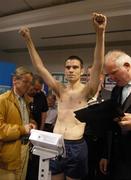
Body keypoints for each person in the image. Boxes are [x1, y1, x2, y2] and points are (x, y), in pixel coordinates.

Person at [19, 12, 107, 180]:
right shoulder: (59, 89)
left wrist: (100, 33)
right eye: (68, 67)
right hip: (55, 142)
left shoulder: (87, 90)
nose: (71, 70)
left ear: (81, 70)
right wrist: (28, 40)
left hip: (76, 145)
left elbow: (98, 64)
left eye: (75, 67)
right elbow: (40, 68)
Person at [0, 66, 36, 180]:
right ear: (15, 80)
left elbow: (26, 118)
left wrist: (32, 123)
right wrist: (22, 129)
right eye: (26, 82)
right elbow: (1, 130)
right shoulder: (3, 100)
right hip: (9, 155)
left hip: (24, 150)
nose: (29, 86)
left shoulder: (25, 100)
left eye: (30, 83)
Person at [99, 50, 131, 180]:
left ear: (127, 66)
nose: (111, 78)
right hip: (117, 159)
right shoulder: (116, 90)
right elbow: (111, 126)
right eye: (108, 74)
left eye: (114, 72)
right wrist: (106, 154)